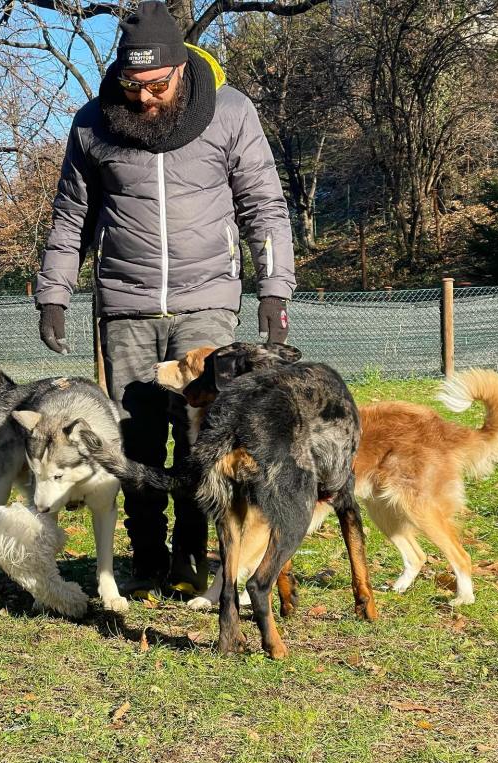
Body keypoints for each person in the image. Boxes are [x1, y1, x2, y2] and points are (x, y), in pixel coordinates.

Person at [35, 1, 295, 597]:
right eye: (133, 85)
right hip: (125, 305)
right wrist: (53, 293)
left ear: (179, 68)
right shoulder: (92, 123)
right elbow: (71, 217)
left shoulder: (231, 112)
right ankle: (148, 556)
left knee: (204, 439)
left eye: (156, 85)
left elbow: (264, 206)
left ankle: (191, 558)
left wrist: (274, 289)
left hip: (207, 300)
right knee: (136, 438)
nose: (146, 98)